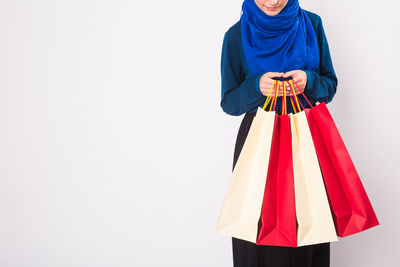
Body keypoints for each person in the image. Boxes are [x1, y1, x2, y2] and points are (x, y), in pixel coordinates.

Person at [219, 0, 338, 266]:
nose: (272, 2)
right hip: (258, 144)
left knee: (308, 223)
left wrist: (310, 80)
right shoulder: (235, 36)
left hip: (305, 138)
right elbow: (229, 102)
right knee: (256, 226)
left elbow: (330, 84)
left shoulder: (312, 24)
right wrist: (256, 87)